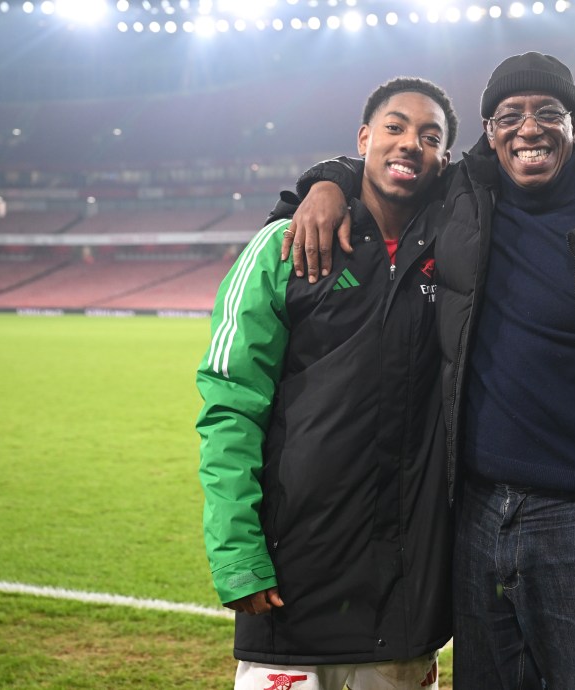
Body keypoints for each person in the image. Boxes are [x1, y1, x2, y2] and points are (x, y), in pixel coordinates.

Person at [285, 52, 575, 690]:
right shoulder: (462, 202)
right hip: (475, 515)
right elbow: (392, 170)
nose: (528, 129)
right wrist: (326, 182)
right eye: (509, 116)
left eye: (547, 113)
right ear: (490, 133)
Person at [195, 77, 459, 690]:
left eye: (430, 136)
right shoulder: (282, 246)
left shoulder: (459, 249)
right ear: (364, 138)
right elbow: (231, 404)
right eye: (394, 127)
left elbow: (538, 165)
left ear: (446, 158)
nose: (410, 143)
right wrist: (237, 555)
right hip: (293, 588)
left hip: (404, 601)